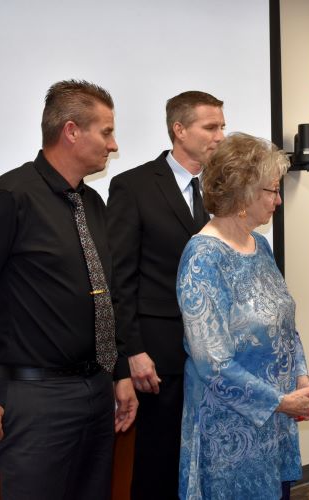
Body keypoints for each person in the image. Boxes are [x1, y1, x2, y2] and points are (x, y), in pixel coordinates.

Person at [0, 79, 138, 500]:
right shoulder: (7, 198)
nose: (114, 144)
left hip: (95, 390)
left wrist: (119, 372)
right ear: (71, 131)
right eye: (106, 132)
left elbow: (107, 297)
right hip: (36, 400)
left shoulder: (93, 204)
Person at [176, 132, 309, 500]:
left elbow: (284, 324)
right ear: (243, 193)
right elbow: (212, 362)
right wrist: (280, 401)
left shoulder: (259, 245)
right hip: (229, 431)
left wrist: (301, 383)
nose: (278, 200)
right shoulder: (202, 258)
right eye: (271, 191)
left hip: (274, 418)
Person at [106, 90, 224, 499]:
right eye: (211, 127)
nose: (220, 136)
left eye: (222, 126)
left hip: (217, 354)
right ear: (179, 129)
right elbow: (119, 279)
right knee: (160, 462)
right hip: (160, 356)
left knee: (210, 460)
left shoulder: (223, 187)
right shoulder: (133, 186)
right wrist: (131, 351)